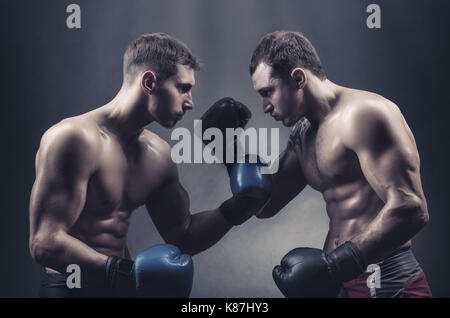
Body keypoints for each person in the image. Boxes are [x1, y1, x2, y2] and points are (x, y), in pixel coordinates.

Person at [29, 33, 271, 298]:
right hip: (71, 289)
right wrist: (124, 273)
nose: (190, 102)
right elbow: (45, 243)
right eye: (183, 88)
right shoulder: (72, 139)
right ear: (149, 81)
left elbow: (184, 236)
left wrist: (238, 207)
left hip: (122, 287)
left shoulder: (157, 154)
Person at [249, 31, 432, 298]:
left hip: (387, 282)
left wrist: (335, 265)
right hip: (340, 285)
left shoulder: (365, 114)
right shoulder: (303, 134)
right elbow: (264, 204)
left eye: (268, 92)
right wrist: (230, 152)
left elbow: (411, 208)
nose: (264, 106)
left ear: (298, 78)